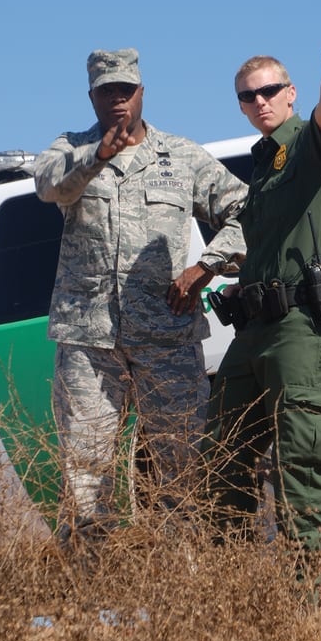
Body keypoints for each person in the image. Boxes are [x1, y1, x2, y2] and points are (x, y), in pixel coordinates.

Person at [35, 48, 247, 548]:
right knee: (86, 473)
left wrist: (206, 266)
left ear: (142, 93)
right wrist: (97, 156)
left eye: (125, 90)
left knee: (182, 466)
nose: (117, 100)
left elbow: (248, 211)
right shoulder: (69, 150)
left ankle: (182, 594)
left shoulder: (182, 156)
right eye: (106, 91)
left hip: (167, 337)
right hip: (89, 341)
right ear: (91, 96)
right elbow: (48, 186)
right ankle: (95, 602)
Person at [203, 33, 321, 572]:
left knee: (299, 462)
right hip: (254, 333)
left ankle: (305, 598)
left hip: (300, 328)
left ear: (290, 93)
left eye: (269, 90)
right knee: (218, 457)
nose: (259, 102)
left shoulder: (309, 145)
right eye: (248, 96)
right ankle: (239, 587)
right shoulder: (261, 164)